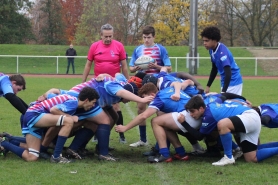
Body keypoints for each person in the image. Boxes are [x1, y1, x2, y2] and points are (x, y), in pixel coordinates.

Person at [0, 87, 99, 163]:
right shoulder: (73, 102)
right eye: (93, 102)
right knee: (68, 121)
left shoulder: (70, 100)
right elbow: (53, 110)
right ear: (86, 100)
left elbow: (51, 97)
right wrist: (70, 117)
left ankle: (5, 142)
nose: (93, 106)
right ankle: (56, 157)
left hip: (32, 115)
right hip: (34, 114)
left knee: (32, 157)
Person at [115, 82, 203, 163]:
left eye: (145, 98)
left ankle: (164, 155)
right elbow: (177, 83)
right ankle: (181, 153)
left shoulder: (158, 99)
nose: (145, 102)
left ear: (152, 94)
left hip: (189, 116)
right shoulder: (166, 90)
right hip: (196, 116)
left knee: (155, 121)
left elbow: (143, 116)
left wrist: (125, 128)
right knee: (164, 123)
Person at [180, 95, 278, 166]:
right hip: (251, 118)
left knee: (222, 124)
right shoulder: (213, 103)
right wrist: (242, 99)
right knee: (251, 158)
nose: (191, 115)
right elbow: (223, 96)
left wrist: (183, 123)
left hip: (249, 116)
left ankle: (228, 157)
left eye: (192, 111)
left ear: (201, 108)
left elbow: (199, 136)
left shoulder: (209, 115)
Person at [82, 23, 129, 143]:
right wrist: (83, 82)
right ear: (101, 35)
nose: (108, 39)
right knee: (98, 107)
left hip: (114, 83)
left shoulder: (119, 46)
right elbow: (88, 65)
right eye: (106, 36)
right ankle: (98, 134)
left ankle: (121, 135)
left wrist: (127, 82)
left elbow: (124, 66)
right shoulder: (94, 46)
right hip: (98, 84)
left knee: (116, 107)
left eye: (110, 36)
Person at [128, 25, 172, 147]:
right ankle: (143, 139)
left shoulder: (160, 49)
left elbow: (169, 68)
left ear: (154, 37)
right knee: (140, 108)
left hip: (156, 83)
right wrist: (135, 68)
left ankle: (161, 142)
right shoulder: (138, 50)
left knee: (159, 111)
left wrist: (156, 67)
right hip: (142, 82)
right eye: (144, 37)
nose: (146, 40)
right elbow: (131, 68)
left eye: (149, 37)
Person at [201, 26, 243, 95]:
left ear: (214, 40)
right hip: (225, 82)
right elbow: (214, 69)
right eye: (204, 41)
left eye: (207, 41)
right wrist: (208, 85)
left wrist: (224, 92)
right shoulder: (211, 50)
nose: (204, 43)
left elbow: (228, 73)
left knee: (232, 104)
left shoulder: (222, 53)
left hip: (233, 82)